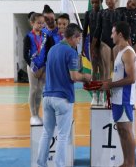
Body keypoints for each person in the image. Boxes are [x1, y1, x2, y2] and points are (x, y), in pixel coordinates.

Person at [37, 23, 92, 167]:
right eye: (78, 38)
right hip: (62, 98)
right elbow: (74, 76)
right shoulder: (71, 52)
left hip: (47, 96)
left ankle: (41, 164)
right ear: (73, 37)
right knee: (62, 136)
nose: (79, 42)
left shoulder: (52, 50)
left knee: (46, 133)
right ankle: (59, 165)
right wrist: (86, 77)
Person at [100, 21, 136, 167]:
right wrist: (105, 83)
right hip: (117, 98)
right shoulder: (120, 51)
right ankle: (126, 161)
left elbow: (131, 78)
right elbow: (118, 76)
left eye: (113, 32)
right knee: (121, 131)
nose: (111, 35)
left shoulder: (128, 52)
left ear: (120, 34)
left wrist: (111, 84)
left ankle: (131, 163)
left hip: (124, 99)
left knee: (126, 131)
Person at [92, 0, 125, 106]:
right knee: (105, 71)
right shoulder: (102, 13)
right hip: (104, 42)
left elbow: (125, 30)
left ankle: (115, 96)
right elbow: (97, 29)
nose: (108, 1)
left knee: (117, 70)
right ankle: (104, 96)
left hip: (117, 43)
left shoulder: (121, 13)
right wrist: (93, 47)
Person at [23, 13, 54, 125]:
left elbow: (49, 51)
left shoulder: (46, 36)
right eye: (38, 23)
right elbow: (25, 55)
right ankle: (33, 115)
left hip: (43, 66)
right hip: (32, 66)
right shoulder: (28, 37)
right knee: (33, 89)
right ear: (32, 23)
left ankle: (38, 114)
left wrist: (44, 65)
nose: (41, 25)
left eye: (42, 23)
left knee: (40, 90)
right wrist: (34, 67)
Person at [82, 0, 103, 106]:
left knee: (103, 71)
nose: (94, 4)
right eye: (92, 2)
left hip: (103, 45)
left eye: (96, 2)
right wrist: (83, 48)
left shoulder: (104, 13)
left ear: (101, 1)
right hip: (92, 46)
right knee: (95, 70)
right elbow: (84, 32)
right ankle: (95, 95)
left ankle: (102, 95)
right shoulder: (88, 14)